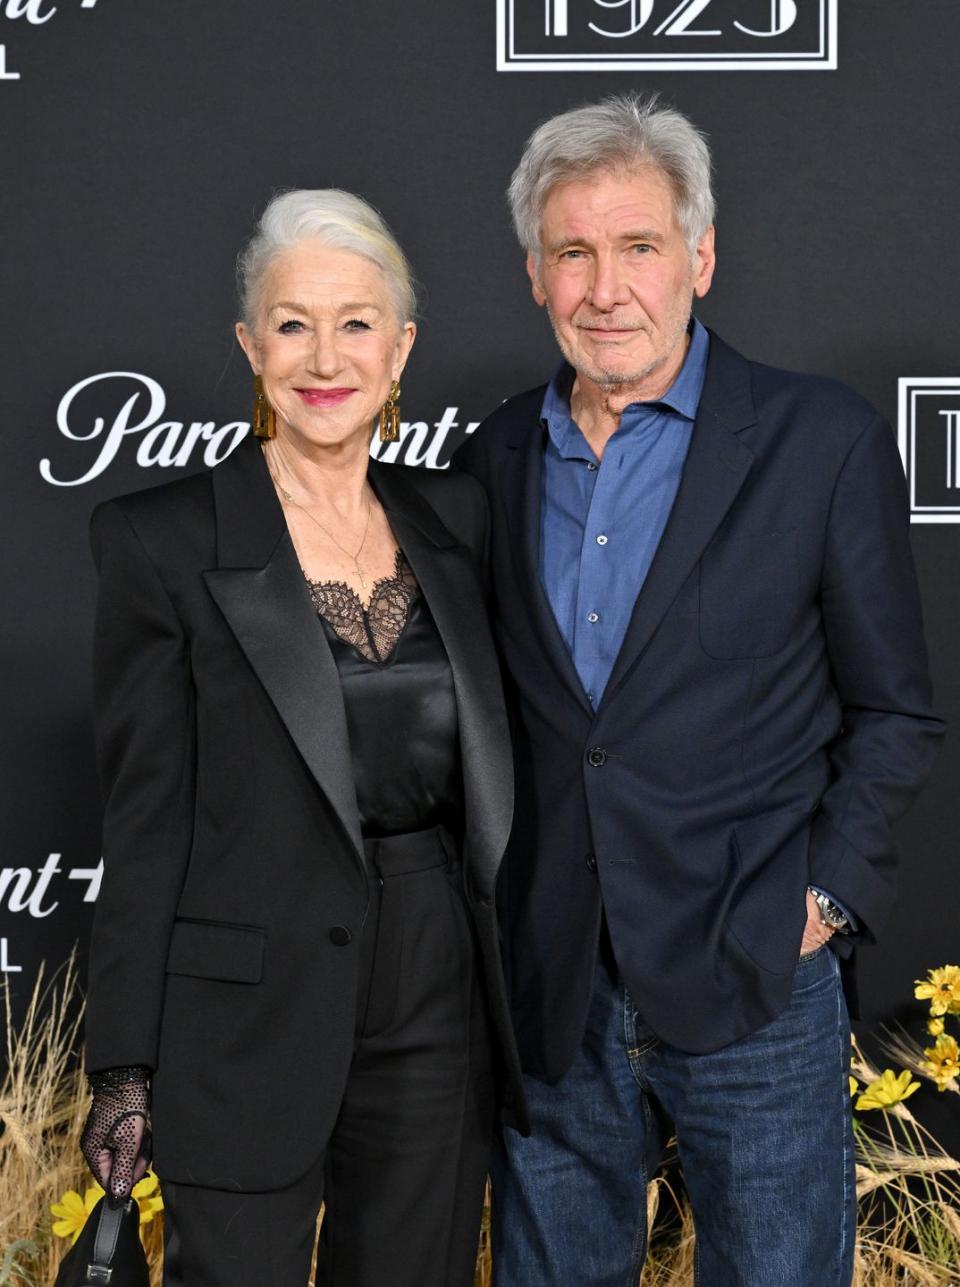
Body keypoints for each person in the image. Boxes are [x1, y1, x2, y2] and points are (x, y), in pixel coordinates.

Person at [455, 94, 945, 1287]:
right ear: (534, 273)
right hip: (556, 983)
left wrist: (818, 906)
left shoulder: (815, 440)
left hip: (755, 979)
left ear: (701, 259)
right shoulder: (497, 454)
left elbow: (894, 709)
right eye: (574, 251)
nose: (606, 286)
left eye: (640, 246)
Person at [79, 188, 527, 1287]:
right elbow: (144, 822)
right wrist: (125, 1068)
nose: (325, 356)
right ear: (249, 345)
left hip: (435, 982)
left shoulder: (456, 518)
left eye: (357, 322)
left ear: (402, 347)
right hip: (241, 1004)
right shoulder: (161, 538)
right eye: (292, 323)